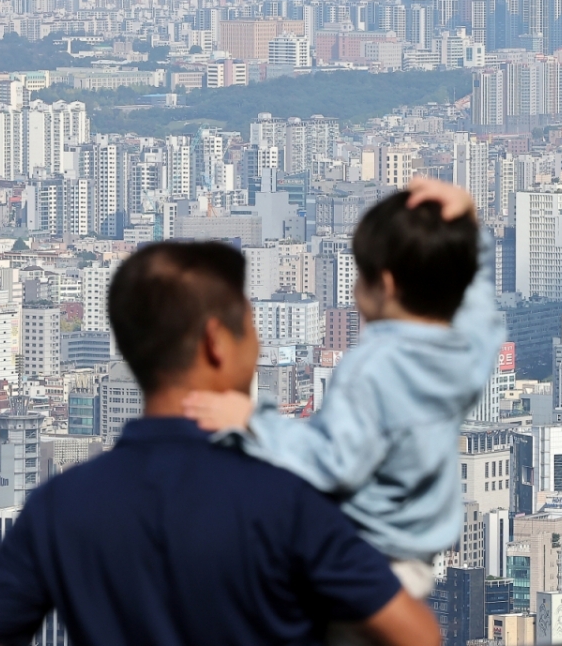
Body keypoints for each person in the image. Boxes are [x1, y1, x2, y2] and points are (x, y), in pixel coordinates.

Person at [0, 241, 440, 646]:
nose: (259, 345)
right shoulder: (287, 496)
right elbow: (414, 635)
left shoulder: (61, 506)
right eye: (252, 327)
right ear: (215, 341)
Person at [184, 177, 506, 598]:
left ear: (385, 286)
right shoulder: (466, 350)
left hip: (368, 557)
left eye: (361, 276)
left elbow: (334, 461)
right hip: (420, 553)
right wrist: (470, 225)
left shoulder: (372, 368)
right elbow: (479, 303)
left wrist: (252, 421)